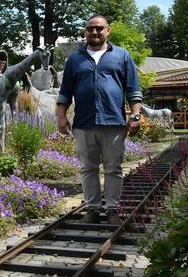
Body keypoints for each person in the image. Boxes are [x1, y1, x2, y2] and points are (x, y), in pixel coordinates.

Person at [56, 15, 142, 225]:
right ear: (85, 32)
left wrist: (136, 115)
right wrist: (61, 116)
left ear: (108, 30)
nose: (94, 32)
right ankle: (92, 210)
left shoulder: (121, 56)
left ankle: (112, 210)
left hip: (113, 122)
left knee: (114, 168)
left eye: (99, 29)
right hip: (84, 123)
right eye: (90, 29)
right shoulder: (75, 59)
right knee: (88, 168)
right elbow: (65, 92)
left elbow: (133, 89)